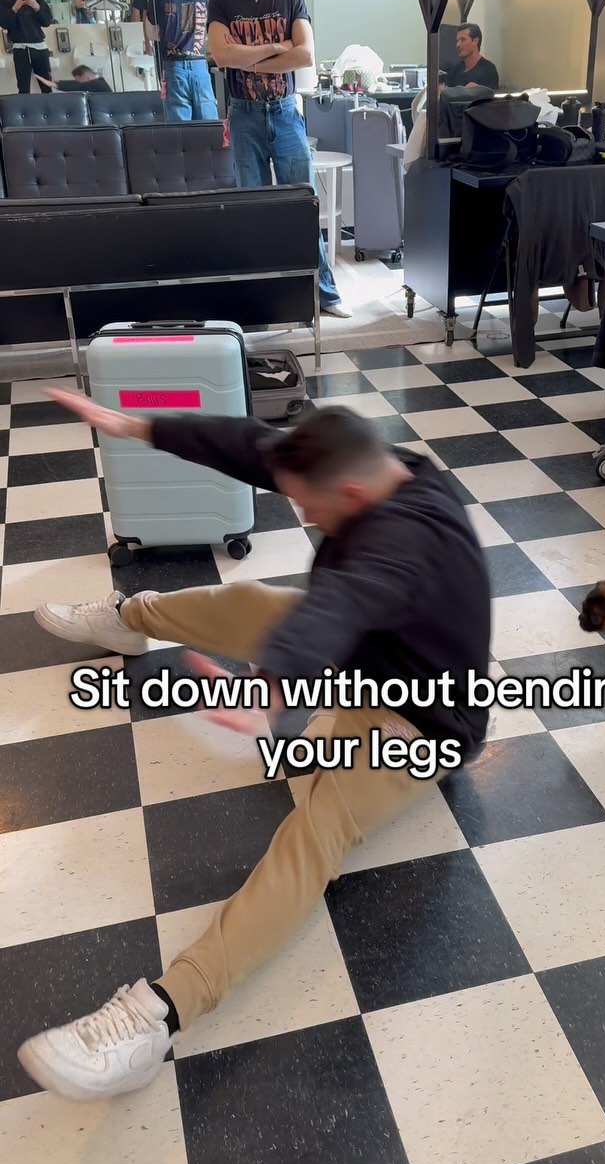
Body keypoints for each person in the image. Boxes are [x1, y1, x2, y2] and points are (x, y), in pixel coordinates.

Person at [18, 393, 491, 1102]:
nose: (301, 513)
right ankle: (129, 619)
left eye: (309, 506)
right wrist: (133, 424)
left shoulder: (406, 544)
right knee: (250, 601)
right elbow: (247, 443)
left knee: (315, 834)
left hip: (422, 722)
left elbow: (339, 605)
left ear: (351, 495)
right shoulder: (373, 468)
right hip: (367, 655)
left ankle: (161, 1015)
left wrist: (266, 690)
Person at [206, 0, 350, 318]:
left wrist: (249, 60)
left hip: (285, 112)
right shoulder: (222, 0)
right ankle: (263, 297)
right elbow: (222, 54)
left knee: (302, 205)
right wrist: (277, 47)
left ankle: (324, 293)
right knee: (253, 212)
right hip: (244, 115)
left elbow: (305, 54)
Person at [145, 0, 218, 122]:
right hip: (200, 65)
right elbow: (209, 31)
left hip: (174, 67)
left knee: (181, 131)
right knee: (209, 126)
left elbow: (151, 33)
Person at [0, 0, 54, 94]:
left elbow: (47, 21)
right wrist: (15, 8)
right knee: (24, 89)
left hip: (40, 46)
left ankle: (49, 108)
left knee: (47, 87)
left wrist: (37, 7)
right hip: (21, 49)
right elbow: (4, 24)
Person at [443, 23, 499, 91]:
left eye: (463, 39)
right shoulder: (456, 69)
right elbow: (445, 88)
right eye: (457, 40)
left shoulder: (488, 70)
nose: (458, 45)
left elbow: (490, 96)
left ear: (475, 41)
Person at [36, 64, 113, 94]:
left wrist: (54, 85)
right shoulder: (99, 81)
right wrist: (58, 82)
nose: (78, 82)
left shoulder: (96, 84)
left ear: (87, 78)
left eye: (79, 80)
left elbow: (78, 85)